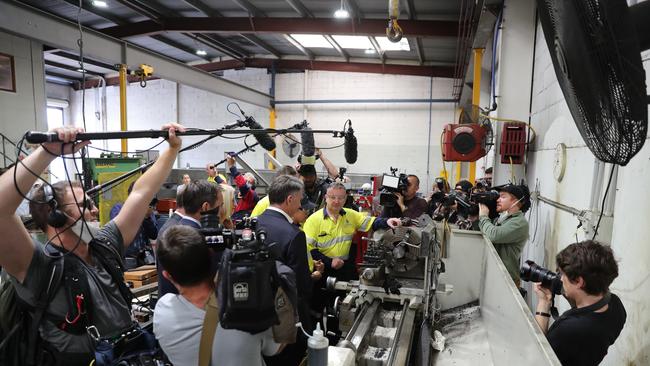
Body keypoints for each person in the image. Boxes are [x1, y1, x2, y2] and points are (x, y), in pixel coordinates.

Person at [0, 123, 183, 364]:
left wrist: (172, 149)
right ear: (54, 215)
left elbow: (141, 193)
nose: (95, 210)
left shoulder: (104, 244)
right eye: (84, 205)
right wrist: (48, 151)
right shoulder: (40, 265)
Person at [154, 225, 284, 366]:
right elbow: (276, 348)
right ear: (211, 255)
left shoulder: (163, 311)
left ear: (167, 275)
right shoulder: (249, 307)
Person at [533, 240, 626, 365]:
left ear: (579, 282)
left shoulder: (568, 330)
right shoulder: (616, 306)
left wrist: (543, 303)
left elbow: (537, 354)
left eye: (562, 275)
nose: (560, 278)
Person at [256, 175, 312, 365]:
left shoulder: (253, 223)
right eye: (300, 198)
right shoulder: (293, 235)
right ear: (290, 199)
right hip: (284, 318)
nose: (300, 204)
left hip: (254, 312)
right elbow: (301, 286)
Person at [304, 182, 402, 282]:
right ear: (326, 197)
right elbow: (308, 249)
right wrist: (329, 262)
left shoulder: (350, 215)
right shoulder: (313, 220)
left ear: (345, 198)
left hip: (345, 268)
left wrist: (387, 221)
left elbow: (370, 222)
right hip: (322, 269)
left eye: (341, 198)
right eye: (333, 197)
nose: (337, 201)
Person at [156, 180, 223, 296]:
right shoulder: (202, 241)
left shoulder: (170, 234)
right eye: (220, 206)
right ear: (206, 207)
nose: (222, 210)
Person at [478, 183, 530, 284]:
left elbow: (493, 235)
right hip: (495, 274)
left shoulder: (519, 223)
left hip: (507, 278)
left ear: (514, 201)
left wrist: (483, 217)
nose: (498, 200)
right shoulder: (502, 218)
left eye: (503, 197)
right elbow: (485, 232)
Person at [110, 181, 158, 268]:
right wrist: (137, 210)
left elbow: (154, 235)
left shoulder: (148, 211)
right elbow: (120, 230)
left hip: (145, 258)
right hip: (127, 260)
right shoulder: (119, 209)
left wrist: (146, 217)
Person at [226, 155, 259, 221]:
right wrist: (215, 176)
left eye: (248, 181)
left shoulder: (252, 194)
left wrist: (232, 167)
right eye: (244, 180)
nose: (245, 182)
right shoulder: (239, 195)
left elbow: (243, 186)